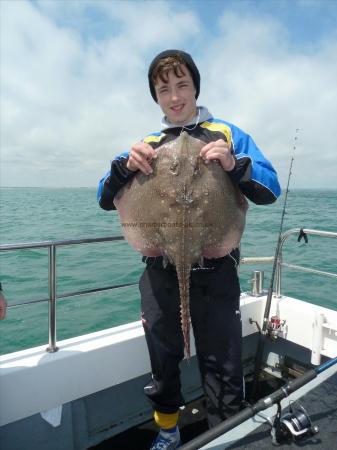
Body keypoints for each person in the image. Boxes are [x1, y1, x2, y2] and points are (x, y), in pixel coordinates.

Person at [97, 50, 281, 450]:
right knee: (163, 359)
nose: (175, 96)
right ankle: (168, 430)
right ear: (156, 97)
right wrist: (124, 168)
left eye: (182, 85)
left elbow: (270, 190)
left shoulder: (227, 133)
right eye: (164, 89)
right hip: (160, 270)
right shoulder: (145, 145)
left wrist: (234, 164)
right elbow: (104, 196)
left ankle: (227, 434)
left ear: (196, 86)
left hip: (216, 269)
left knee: (222, 361)